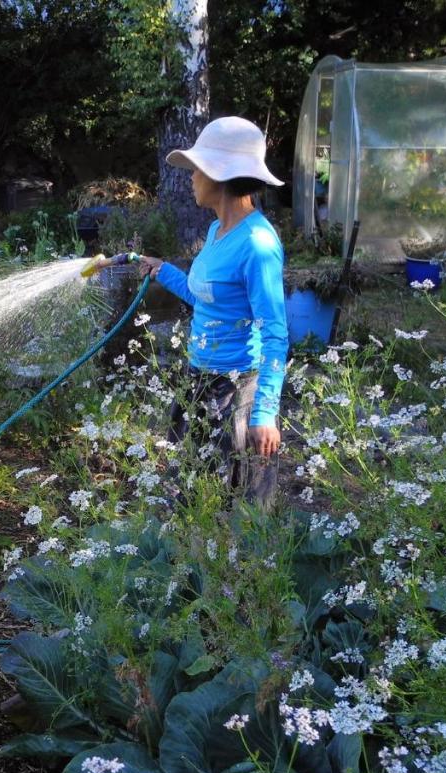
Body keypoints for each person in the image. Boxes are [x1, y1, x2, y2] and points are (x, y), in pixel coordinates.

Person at [137, 116, 288, 507]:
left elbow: (275, 333)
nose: (191, 178)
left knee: (236, 508)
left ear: (219, 175)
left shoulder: (257, 244)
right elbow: (205, 296)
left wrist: (265, 412)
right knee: (193, 498)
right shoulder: (215, 232)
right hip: (200, 380)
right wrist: (162, 270)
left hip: (237, 390)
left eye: (197, 169)